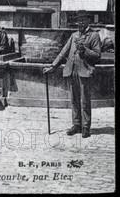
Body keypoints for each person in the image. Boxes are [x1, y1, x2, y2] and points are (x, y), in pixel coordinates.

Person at [43, 10, 101, 138]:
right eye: (78, 20)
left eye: (83, 19)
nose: (80, 22)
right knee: (74, 100)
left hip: (85, 71)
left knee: (85, 100)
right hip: (72, 70)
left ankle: (86, 127)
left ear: (88, 21)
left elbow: (97, 55)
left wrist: (84, 50)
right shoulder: (74, 35)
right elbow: (63, 52)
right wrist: (52, 66)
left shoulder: (94, 36)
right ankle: (76, 125)